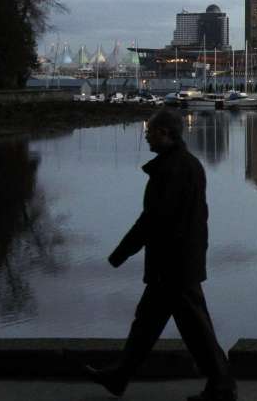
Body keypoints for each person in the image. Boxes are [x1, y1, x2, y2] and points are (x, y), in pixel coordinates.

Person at [85, 108, 237, 401]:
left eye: (150, 132)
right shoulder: (185, 164)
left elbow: (154, 218)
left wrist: (122, 252)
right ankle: (120, 376)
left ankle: (222, 386)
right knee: (151, 322)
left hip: (173, 261)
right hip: (181, 258)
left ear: (165, 133)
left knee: (193, 329)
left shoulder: (173, 169)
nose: (146, 137)